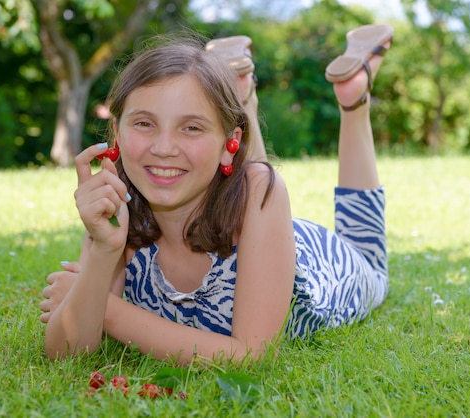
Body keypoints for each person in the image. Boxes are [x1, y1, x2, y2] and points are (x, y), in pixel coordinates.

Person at [39, 25, 393, 365]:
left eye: (191, 127)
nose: (163, 148)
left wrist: (104, 306)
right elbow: (67, 354)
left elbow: (249, 355)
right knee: (232, 177)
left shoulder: (260, 187)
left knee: (373, 268)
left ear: (230, 145)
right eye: (144, 123)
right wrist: (104, 251)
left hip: (320, 263)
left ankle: (353, 101)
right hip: (241, 209)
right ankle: (240, 97)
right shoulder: (116, 201)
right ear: (117, 132)